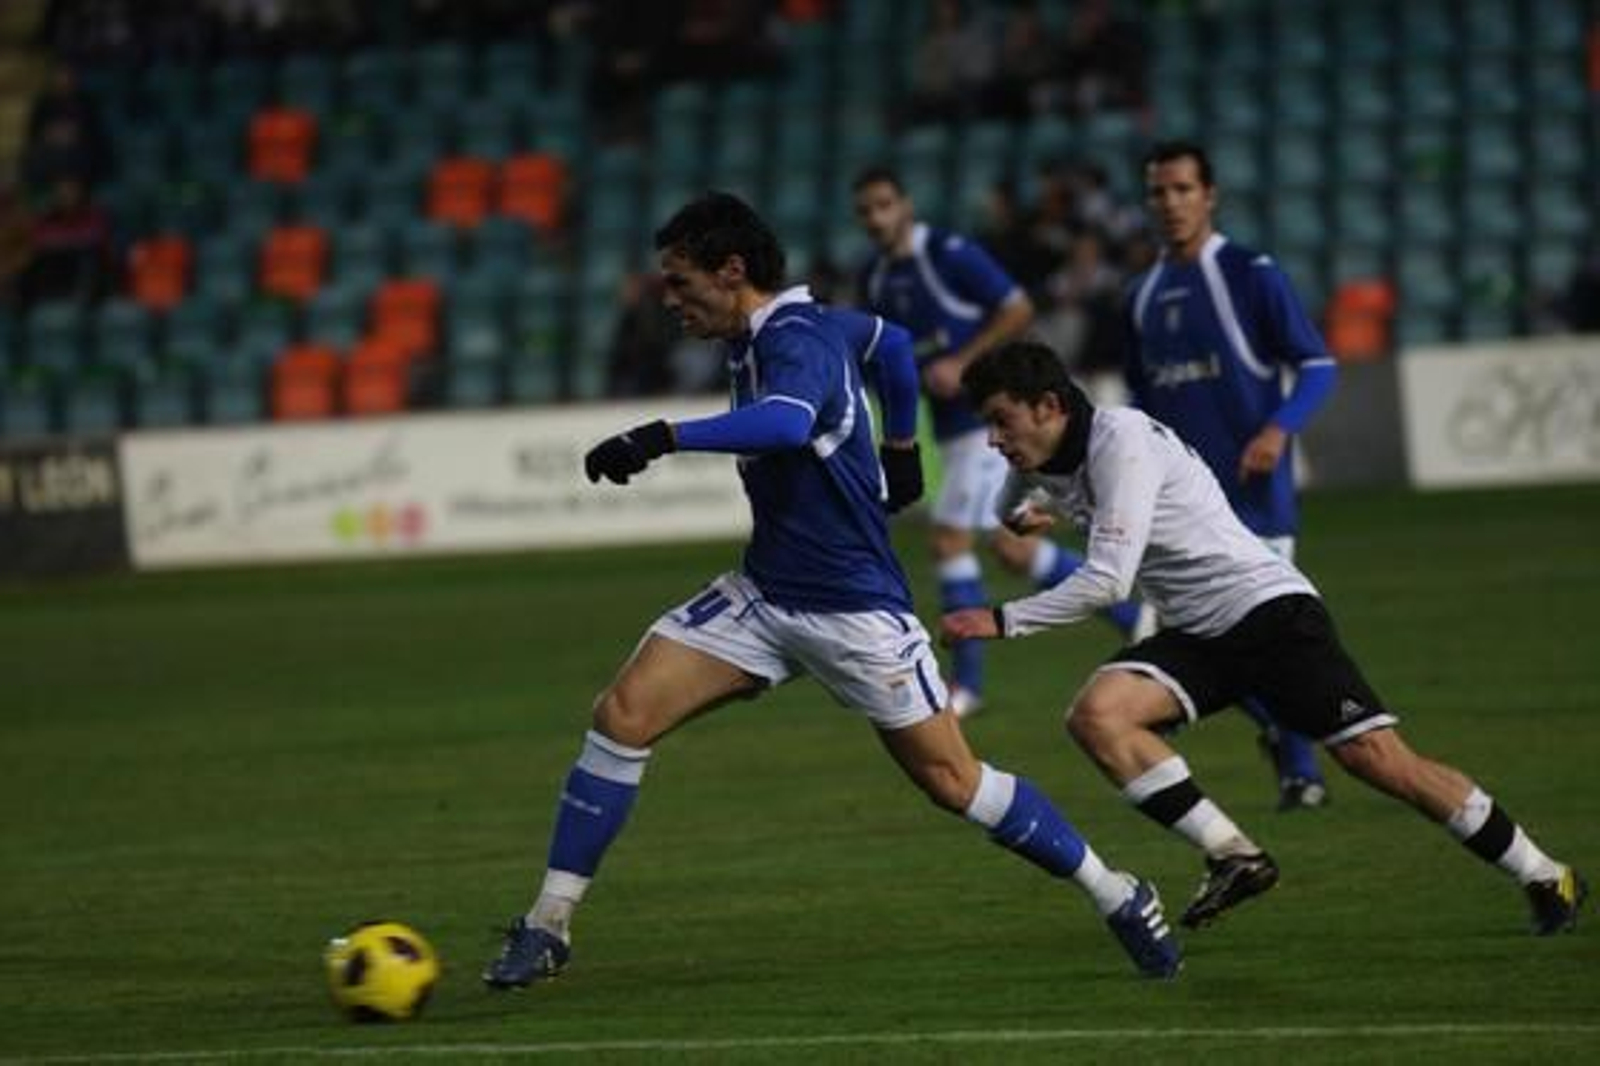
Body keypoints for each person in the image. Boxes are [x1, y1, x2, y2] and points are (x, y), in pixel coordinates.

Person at [481, 193, 1182, 989]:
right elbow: (890, 342)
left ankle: (1118, 892)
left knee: (956, 783)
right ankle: (548, 925)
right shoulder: (802, 327)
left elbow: (784, 424)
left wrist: (663, 435)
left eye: (681, 284)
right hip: (765, 596)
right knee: (622, 715)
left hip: (857, 613)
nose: (670, 301)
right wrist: (899, 443)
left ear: (732, 270)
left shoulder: (796, 340)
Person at [941, 339, 1588, 937]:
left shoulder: (1121, 440)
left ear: (1049, 405)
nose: (994, 440)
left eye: (1002, 421)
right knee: (1098, 717)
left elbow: (1110, 582)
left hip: (1269, 614)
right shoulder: (1045, 451)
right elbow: (1009, 501)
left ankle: (1544, 873)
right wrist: (1018, 514)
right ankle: (1236, 856)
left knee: (1380, 761)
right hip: (1198, 633)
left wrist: (1002, 619)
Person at [853, 166, 1136, 718]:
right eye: (866, 210)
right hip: (953, 432)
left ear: (906, 205)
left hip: (994, 424)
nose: (876, 218)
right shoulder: (878, 277)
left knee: (950, 541)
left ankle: (968, 688)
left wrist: (962, 360)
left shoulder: (949, 253)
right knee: (1013, 548)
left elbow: (1019, 308)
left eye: (885, 204)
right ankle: (1134, 621)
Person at [1122, 141, 1336, 811]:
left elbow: (1318, 365)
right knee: (1215, 645)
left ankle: (1302, 769)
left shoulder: (1250, 273)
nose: (1171, 203)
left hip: (1255, 499)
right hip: (1184, 508)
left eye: (1183, 189)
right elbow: (1142, 411)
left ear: (1209, 196)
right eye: (1159, 192)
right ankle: (1292, 754)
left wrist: (1277, 429)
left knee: (1257, 646)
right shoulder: (1140, 297)